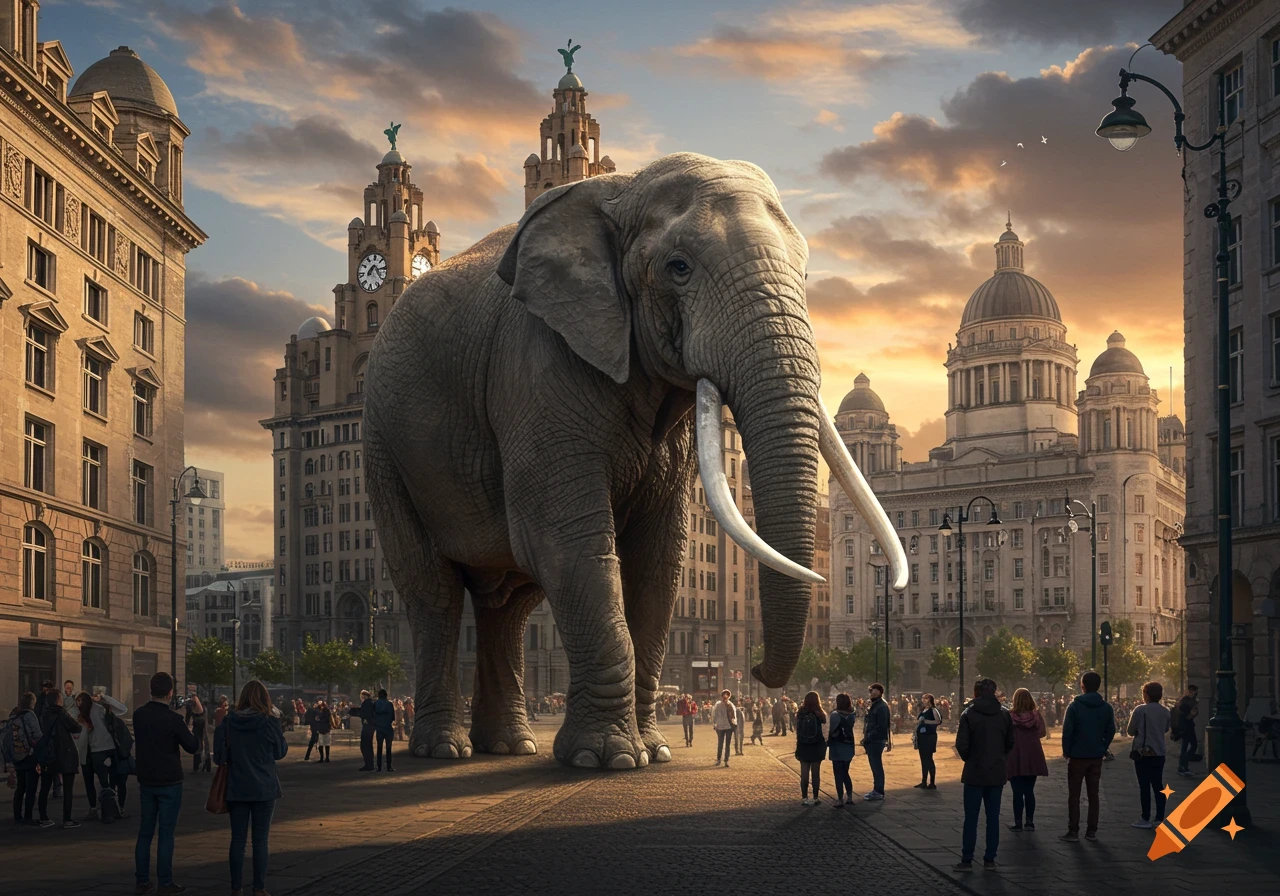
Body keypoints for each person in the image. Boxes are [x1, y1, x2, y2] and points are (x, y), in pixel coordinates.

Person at [215, 679, 288, 896]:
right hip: (264, 787)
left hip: (237, 786)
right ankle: (259, 888)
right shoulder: (269, 721)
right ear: (265, 698)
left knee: (237, 840)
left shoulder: (228, 722)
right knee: (260, 840)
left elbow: (219, 757)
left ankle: (236, 888)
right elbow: (280, 752)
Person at [133, 671, 200, 896]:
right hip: (170, 780)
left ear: (151, 690)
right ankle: (165, 881)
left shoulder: (139, 715)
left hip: (146, 779)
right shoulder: (174, 719)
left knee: (145, 832)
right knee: (166, 833)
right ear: (170, 693)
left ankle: (142, 881)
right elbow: (192, 746)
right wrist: (198, 719)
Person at [953, 679, 1014, 872]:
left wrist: (971, 759)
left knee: (971, 817)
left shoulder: (968, 714)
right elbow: (1010, 742)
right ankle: (989, 860)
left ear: (976, 693)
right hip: (996, 770)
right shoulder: (1004, 714)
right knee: (993, 817)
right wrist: (999, 758)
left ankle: (967, 859)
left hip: (974, 771)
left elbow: (962, 745)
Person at [1060, 670, 1115, 843]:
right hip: (1096, 756)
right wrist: (1102, 747)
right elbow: (1111, 730)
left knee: (1074, 795)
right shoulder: (1106, 707)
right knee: (1094, 794)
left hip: (1077, 755)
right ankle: (1091, 831)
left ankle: (1073, 830)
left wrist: (1066, 750)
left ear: (1082, 685)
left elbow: (1067, 731)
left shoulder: (1075, 706)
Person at [1128, 681, 1171, 829]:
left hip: (1143, 752)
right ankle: (1159, 817)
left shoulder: (1140, 710)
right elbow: (1165, 729)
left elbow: (1131, 731)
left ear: (1146, 694)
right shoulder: (1165, 711)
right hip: (1159, 752)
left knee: (1144, 785)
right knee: (1158, 784)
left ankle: (1145, 817)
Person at [36, 690, 82, 828]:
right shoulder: (61, 713)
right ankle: (67, 819)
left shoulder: (43, 715)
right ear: (58, 700)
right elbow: (76, 727)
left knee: (44, 787)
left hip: (49, 755)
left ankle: (43, 817)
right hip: (65, 754)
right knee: (68, 789)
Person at [80, 690, 128, 822]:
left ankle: (99, 809)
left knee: (97, 782)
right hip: (101, 750)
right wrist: (104, 698)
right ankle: (111, 810)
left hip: (93, 751)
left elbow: (122, 709)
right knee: (108, 783)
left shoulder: (94, 710)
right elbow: (122, 709)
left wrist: (103, 698)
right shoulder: (96, 710)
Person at [1005, 688, 1048, 833]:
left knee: (1017, 792)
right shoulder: (1036, 716)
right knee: (1029, 791)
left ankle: (1018, 823)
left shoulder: (1010, 716)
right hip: (1032, 753)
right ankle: (1030, 822)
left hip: (1015, 753)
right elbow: (1042, 732)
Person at [5, 691, 42, 826]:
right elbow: (38, 735)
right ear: (32, 703)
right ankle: (28, 816)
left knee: (20, 787)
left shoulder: (13, 716)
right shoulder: (30, 715)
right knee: (31, 788)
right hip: (29, 755)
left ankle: (17, 816)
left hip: (17, 756)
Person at [793, 691, 827, 805]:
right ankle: (816, 797)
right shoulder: (820, 713)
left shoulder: (800, 713)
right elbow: (825, 731)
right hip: (817, 745)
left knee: (804, 773)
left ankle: (804, 797)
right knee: (816, 773)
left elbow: (797, 730)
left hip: (803, 745)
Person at [826, 693, 857, 806]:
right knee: (845, 772)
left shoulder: (835, 714)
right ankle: (849, 797)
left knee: (838, 773)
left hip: (837, 745)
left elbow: (832, 730)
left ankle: (840, 799)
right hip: (849, 744)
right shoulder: (852, 714)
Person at [861, 683, 890, 801]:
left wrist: (869, 736)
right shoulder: (875, 705)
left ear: (878, 692)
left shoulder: (881, 706)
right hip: (872, 739)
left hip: (876, 740)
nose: (870, 694)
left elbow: (881, 726)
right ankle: (876, 789)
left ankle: (878, 791)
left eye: (872, 691)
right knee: (874, 765)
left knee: (876, 765)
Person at [914, 693, 941, 789]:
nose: (923, 700)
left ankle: (932, 782)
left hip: (929, 737)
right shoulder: (923, 710)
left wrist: (926, 722)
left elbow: (938, 721)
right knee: (923, 759)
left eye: (925, 698)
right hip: (922, 737)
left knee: (929, 759)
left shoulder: (933, 710)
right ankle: (924, 781)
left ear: (929, 699)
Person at [1174, 684, 1199, 777]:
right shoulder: (1186, 701)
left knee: (1187, 747)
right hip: (1186, 727)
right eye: (1191, 691)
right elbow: (1185, 716)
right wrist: (1192, 714)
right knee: (1190, 746)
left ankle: (1183, 766)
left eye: (1194, 691)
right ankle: (1184, 765)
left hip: (1187, 727)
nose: (1193, 693)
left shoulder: (1186, 700)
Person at [712, 689, 737, 767]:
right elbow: (714, 715)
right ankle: (719, 759)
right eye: (724, 695)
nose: (725, 697)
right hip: (720, 726)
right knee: (720, 743)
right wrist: (715, 724)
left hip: (728, 726)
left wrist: (734, 723)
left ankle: (726, 760)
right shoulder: (718, 705)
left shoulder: (730, 705)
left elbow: (734, 716)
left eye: (727, 695)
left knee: (727, 744)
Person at [352, 690, 376, 771]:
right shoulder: (371, 702)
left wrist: (355, 712)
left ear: (363, 696)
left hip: (367, 726)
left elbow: (363, 713)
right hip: (371, 726)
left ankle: (368, 764)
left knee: (365, 746)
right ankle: (370, 764)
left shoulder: (366, 703)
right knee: (368, 745)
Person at [186, 696, 210, 773]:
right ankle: (206, 766)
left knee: (198, 748)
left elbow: (187, 720)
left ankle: (197, 766)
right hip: (201, 730)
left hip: (197, 730)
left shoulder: (191, 709)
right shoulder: (203, 708)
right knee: (204, 748)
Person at [373, 689, 395, 771]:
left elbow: (373, 715)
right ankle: (389, 766)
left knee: (379, 748)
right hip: (388, 728)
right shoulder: (390, 704)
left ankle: (379, 767)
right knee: (388, 748)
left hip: (379, 728)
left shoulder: (375, 704)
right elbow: (393, 717)